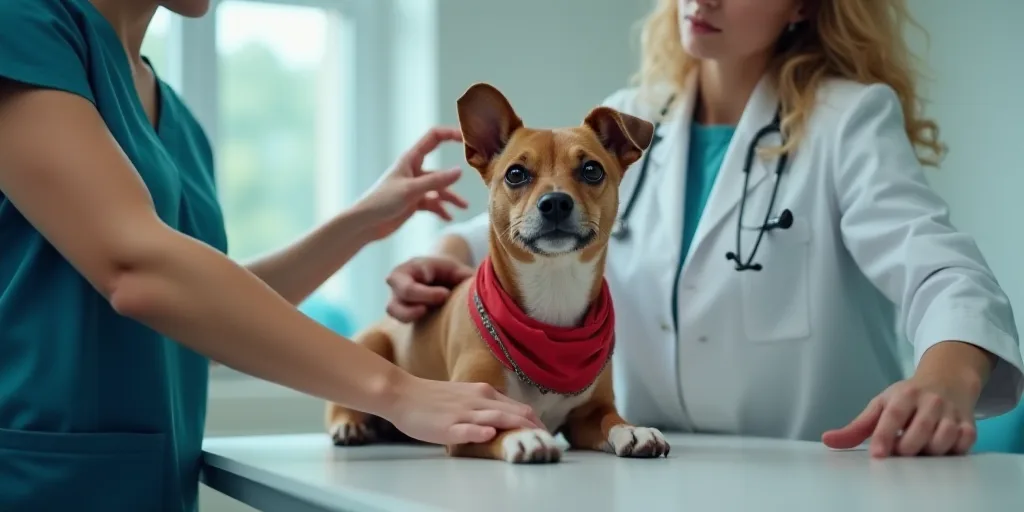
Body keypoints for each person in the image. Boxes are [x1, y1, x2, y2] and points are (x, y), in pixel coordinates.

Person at [383, 0, 1024, 459]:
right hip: (651, 464)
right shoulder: (634, 116)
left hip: (813, 470)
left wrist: (947, 377)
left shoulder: (849, 121)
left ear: (802, 7)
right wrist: (442, 254)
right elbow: (526, 214)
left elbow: (940, 268)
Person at [0, 0, 542, 510]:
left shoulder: (179, 121)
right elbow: (137, 269)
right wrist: (396, 391)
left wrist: (359, 224)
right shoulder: (20, 27)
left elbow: (206, 313)